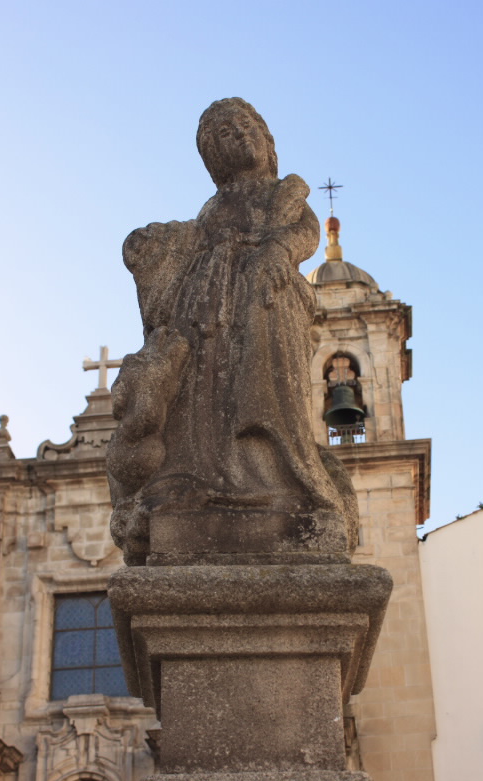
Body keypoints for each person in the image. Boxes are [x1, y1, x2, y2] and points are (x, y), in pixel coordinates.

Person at [108, 98, 355, 563]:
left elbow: (305, 233)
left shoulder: (286, 194)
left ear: (266, 138)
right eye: (224, 133)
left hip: (268, 295)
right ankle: (211, 477)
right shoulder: (213, 207)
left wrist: (279, 251)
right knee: (207, 395)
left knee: (266, 381)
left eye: (246, 126)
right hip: (210, 303)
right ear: (212, 155)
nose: (239, 136)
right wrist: (154, 248)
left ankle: (278, 476)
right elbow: (187, 244)